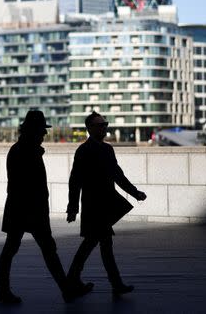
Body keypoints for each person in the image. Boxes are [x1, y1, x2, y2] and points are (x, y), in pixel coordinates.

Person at [0, 110, 91, 304]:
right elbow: (27, 187)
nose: (45, 134)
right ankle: (65, 290)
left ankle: (4, 289)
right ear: (33, 131)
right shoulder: (26, 152)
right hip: (29, 211)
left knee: (15, 249)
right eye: (42, 130)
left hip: (22, 210)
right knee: (43, 250)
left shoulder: (21, 150)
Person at [66, 111, 147, 298]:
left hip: (103, 207)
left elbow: (118, 175)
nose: (104, 128)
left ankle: (76, 280)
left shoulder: (107, 149)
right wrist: (73, 208)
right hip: (94, 207)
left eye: (105, 124)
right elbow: (75, 181)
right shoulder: (84, 151)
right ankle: (109, 283)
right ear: (90, 128)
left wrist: (135, 193)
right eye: (100, 125)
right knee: (98, 244)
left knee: (97, 244)